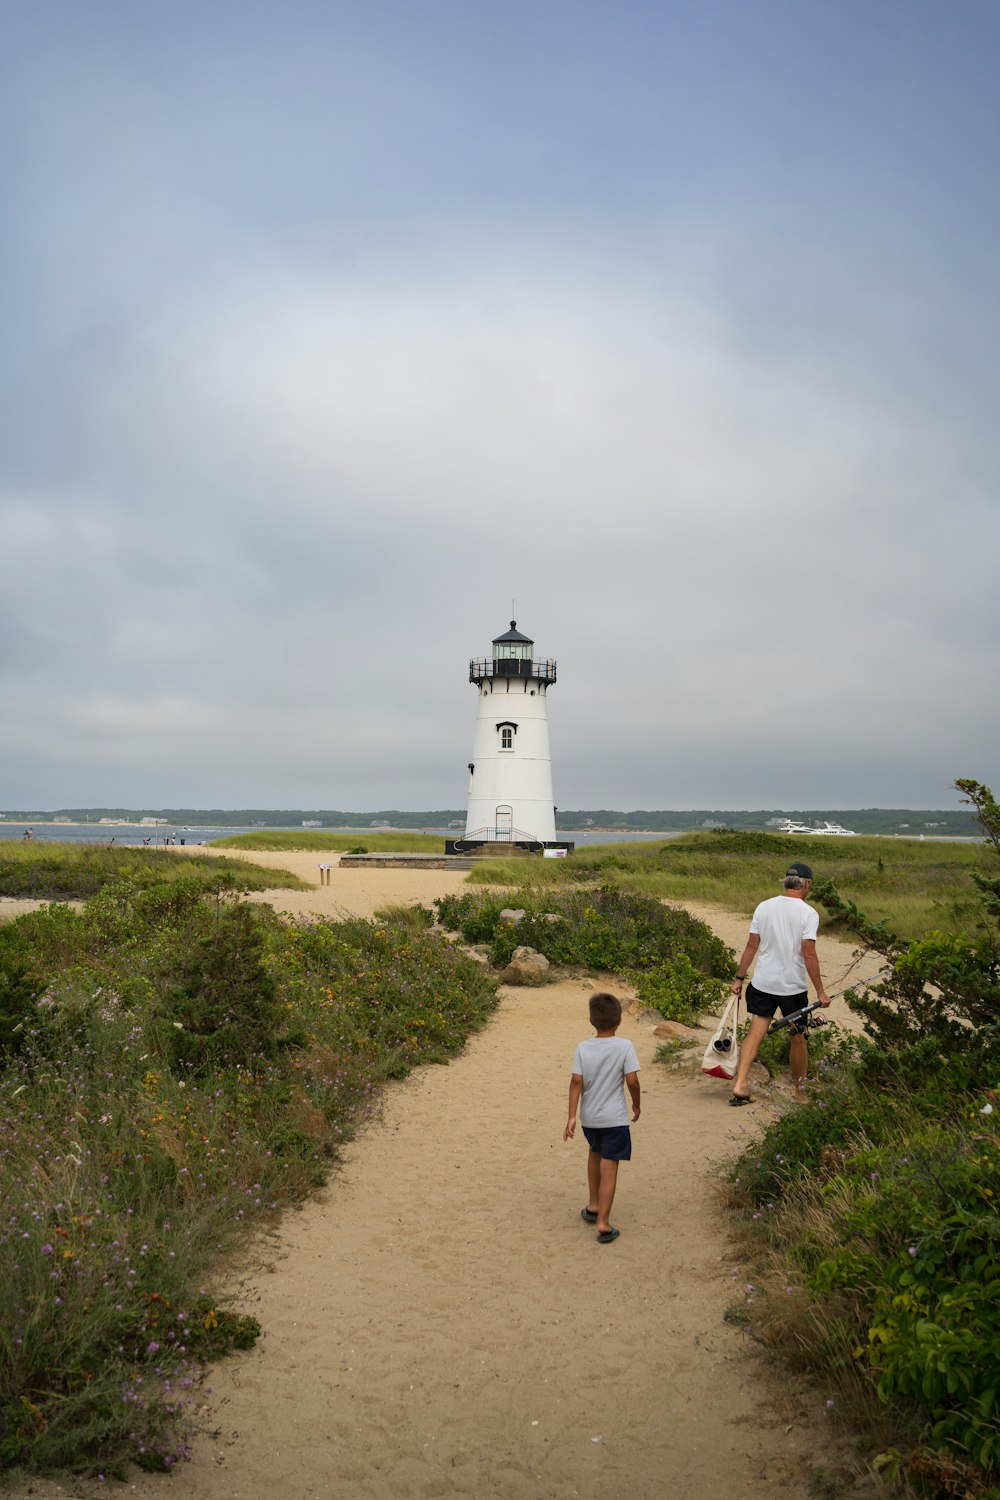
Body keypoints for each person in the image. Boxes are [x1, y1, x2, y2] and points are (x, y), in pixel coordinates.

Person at [728, 861, 830, 1105]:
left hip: (762, 983)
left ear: (786, 882)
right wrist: (821, 991)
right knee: (798, 1036)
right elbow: (808, 953)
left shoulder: (764, 907)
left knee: (756, 1030)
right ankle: (800, 1091)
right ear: (806, 884)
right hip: (791, 988)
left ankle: (740, 1084)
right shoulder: (809, 913)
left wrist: (739, 978)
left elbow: (752, 945)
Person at [563, 992, 641, 1244]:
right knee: (610, 1167)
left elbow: (576, 1081)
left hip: (590, 1119)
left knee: (594, 1154)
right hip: (615, 1119)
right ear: (619, 1020)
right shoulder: (625, 1046)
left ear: (591, 1020)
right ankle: (604, 1223)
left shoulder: (583, 1048)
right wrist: (637, 1104)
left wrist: (571, 1117)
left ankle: (593, 1204)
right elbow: (632, 1080)